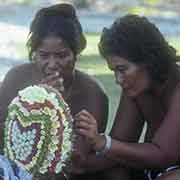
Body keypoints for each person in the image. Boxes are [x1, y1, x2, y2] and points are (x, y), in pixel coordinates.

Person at [0, 3, 108, 180]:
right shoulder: (16, 78)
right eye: (43, 55)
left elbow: (74, 161)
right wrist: (31, 107)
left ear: (76, 53)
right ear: (34, 53)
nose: (52, 64)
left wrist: (56, 109)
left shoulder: (93, 94)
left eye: (61, 56)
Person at [75, 14, 180, 180]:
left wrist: (103, 142)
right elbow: (119, 146)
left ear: (148, 60)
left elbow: (163, 154)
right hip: (154, 170)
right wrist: (79, 164)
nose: (118, 80)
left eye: (122, 69)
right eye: (114, 71)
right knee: (113, 170)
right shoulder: (136, 86)